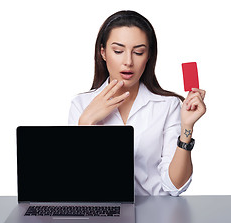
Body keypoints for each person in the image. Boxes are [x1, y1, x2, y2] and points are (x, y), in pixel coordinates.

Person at [68, 10, 206, 196]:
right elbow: (76, 183)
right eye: (118, 51)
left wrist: (187, 127)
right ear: (103, 53)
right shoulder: (81, 104)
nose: (128, 62)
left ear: (148, 56)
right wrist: (86, 122)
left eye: (138, 52)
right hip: (104, 212)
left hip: (157, 212)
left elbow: (174, 187)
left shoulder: (168, 105)